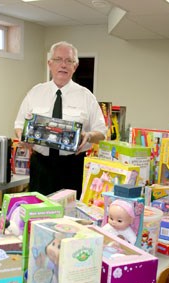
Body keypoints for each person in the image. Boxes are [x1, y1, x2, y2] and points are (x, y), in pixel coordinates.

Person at [14, 41, 107, 199]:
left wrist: (89, 136)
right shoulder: (35, 93)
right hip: (41, 165)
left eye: (68, 61)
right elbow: (18, 125)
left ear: (75, 66)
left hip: (73, 166)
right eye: (58, 59)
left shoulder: (86, 96)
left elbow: (102, 133)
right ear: (50, 63)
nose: (63, 65)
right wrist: (23, 138)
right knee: (38, 211)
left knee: (69, 217)